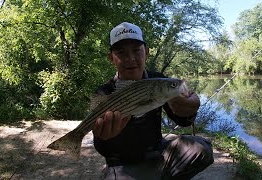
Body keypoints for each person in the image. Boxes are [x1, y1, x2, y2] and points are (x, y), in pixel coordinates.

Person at [92, 22, 214, 180]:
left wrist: (190, 110)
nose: (130, 59)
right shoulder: (104, 92)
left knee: (202, 148)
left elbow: (182, 121)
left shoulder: (160, 81)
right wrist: (104, 138)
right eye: (121, 53)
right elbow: (102, 147)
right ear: (111, 58)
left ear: (147, 52)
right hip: (124, 164)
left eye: (137, 51)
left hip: (160, 153)